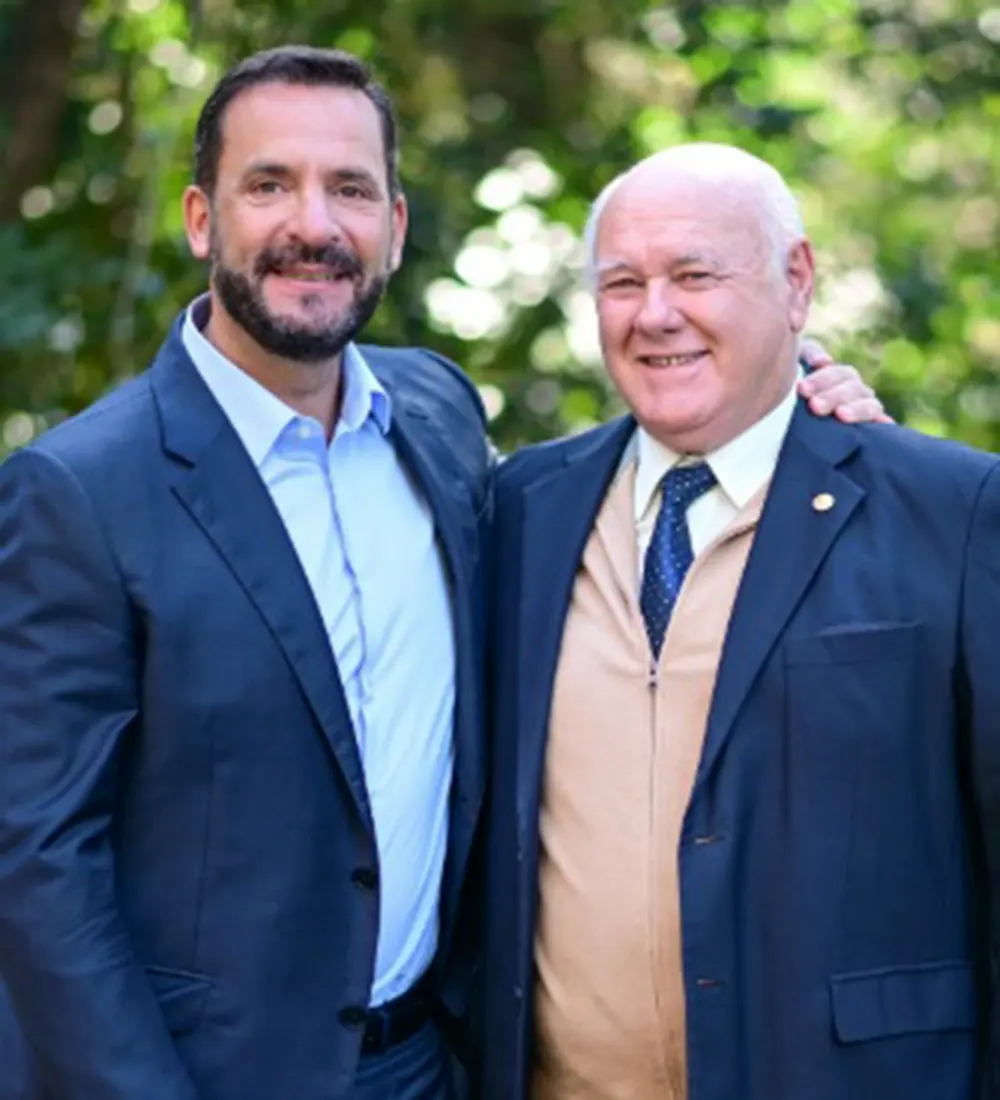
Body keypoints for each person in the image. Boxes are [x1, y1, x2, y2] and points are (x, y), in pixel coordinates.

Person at [0, 46, 879, 1100]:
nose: (314, 225)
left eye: (350, 189)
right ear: (201, 219)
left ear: (395, 224)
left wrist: (795, 398)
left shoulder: (437, 415)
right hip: (208, 1072)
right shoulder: (80, 490)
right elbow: (37, 861)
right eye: (268, 185)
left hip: (432, 1063)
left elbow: (602, 505)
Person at [481, 142, 1000, 1100]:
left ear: (796, 282)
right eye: (623, 283)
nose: (655, 314)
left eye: (695, 275)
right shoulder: (520, 512)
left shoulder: (953, 513)